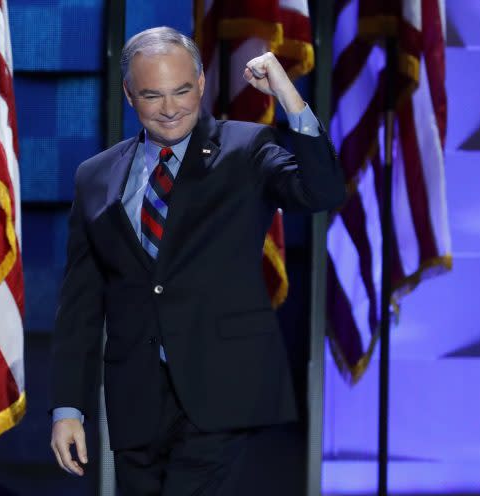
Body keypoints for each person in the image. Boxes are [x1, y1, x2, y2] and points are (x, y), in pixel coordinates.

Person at [49, 26, 345, 495]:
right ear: (129, 94)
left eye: (182, 90)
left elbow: (323, 190)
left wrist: (291, 99)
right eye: (153, 95)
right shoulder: (95, 176)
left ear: (202, 82)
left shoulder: (247, 148)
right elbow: (80, 306)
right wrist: (68, 408)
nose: (170, 108)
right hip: (136, 402)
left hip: (223, 392)